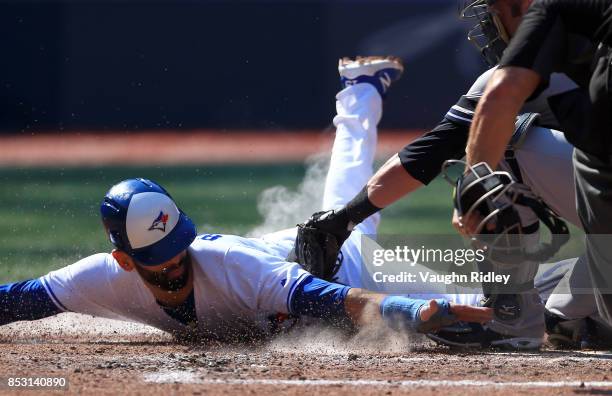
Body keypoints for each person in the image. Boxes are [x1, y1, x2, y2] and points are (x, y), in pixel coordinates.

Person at [0, 58, 492, 342]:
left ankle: (360, 92)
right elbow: (20, 300)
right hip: (284, 261)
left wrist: (410, 308)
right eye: (158, 262)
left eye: (178, 247)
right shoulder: (98, 280)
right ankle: (360, 91)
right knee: (346, 211)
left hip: (344, 271)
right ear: (123, 262)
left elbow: (340, 299)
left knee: (483, 312)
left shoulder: (229, 265)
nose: (176, 264)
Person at [294, 1, 595, 349]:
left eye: (498, 8)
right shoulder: (591, 44)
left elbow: (431, 152)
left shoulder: (527, 64)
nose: (490, 20)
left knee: (495, 143)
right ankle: (564, 315)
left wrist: (345, 218)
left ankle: (509, 319)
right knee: (563, 317)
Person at [456, 0, 612, 329]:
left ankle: (511, 312)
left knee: (505, 144)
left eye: (499, 8)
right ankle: (570, 317)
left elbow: (499, 98)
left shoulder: (554, 11)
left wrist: (471, 191)